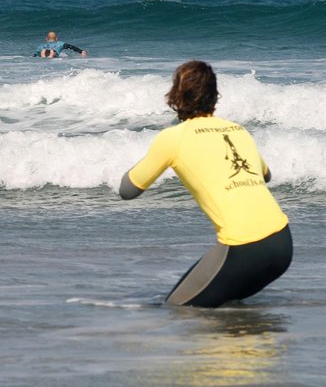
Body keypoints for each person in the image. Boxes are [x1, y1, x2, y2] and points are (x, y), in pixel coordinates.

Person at [119, 60, 292, 308]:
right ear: (214, 95)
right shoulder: (237, 130)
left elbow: (127, 190)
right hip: (283, 245)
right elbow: (265, 176)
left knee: (178, 309)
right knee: (229, 311)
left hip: (244, 247)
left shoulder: (173, 138)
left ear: (175, 95)